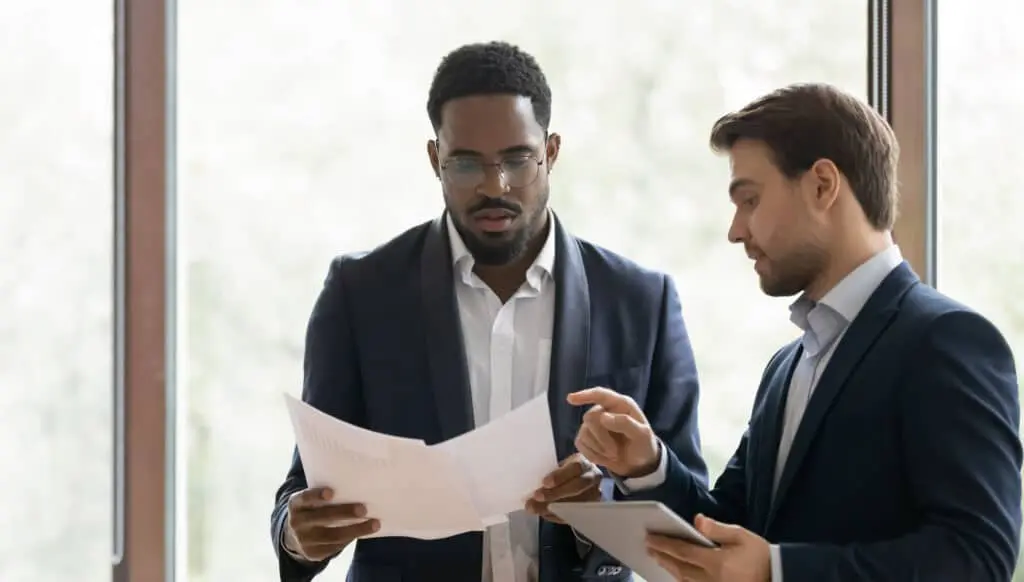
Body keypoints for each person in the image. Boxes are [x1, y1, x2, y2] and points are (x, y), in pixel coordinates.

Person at [269, 41, 707, 582]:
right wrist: (297, 532)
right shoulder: (360, 293)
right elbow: (303, 490)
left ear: (551, 151)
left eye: (518, 159)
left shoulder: (642, 301)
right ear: (435, 159)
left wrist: (601, 505)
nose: (494, 186)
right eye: (467, 163)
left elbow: (691, 509)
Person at [569, 83, 1023, 582]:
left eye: (750, 199)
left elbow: (979, 558)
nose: (735, 230)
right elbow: (729, 529)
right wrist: (648, 464)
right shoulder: (786, 366)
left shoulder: (947, 340)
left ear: (823, 185)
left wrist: (779, 570)